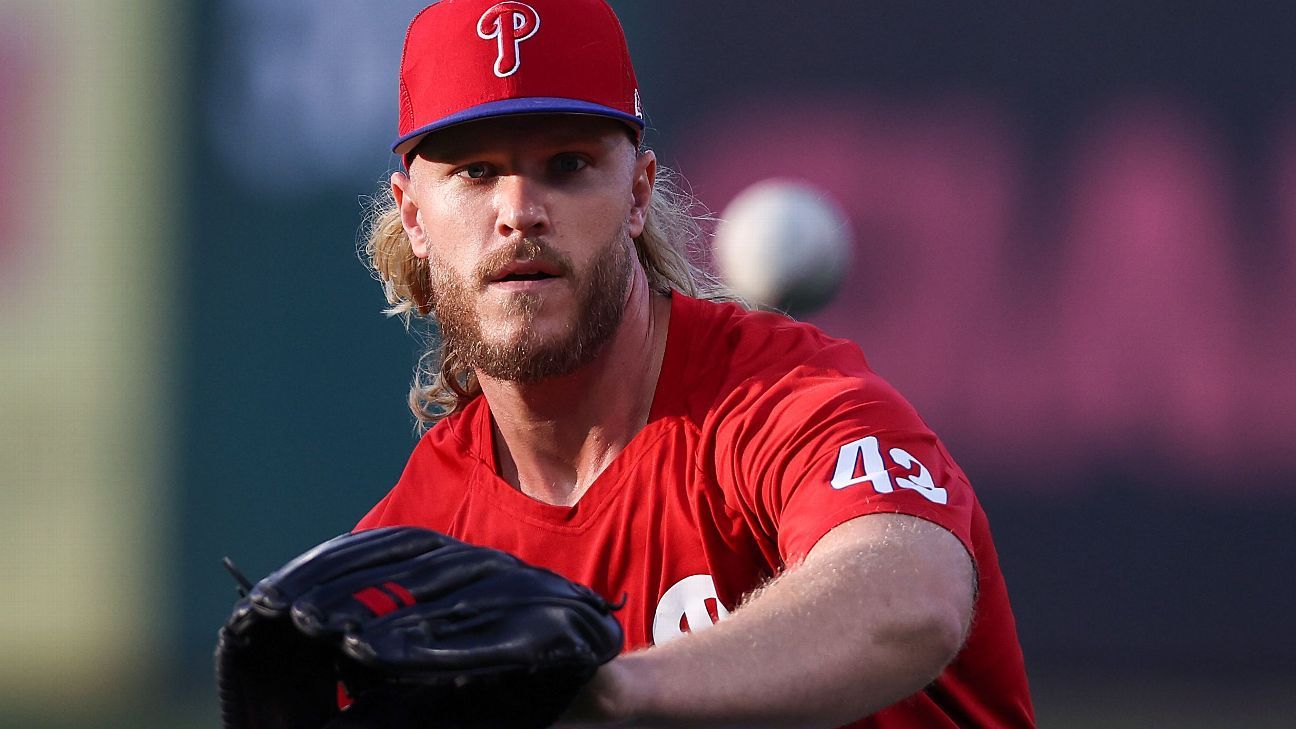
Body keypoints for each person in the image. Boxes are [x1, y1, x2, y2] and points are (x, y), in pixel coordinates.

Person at [356, 0, 1035, 726]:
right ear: (414, 215)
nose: (520, 209)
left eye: (568, 164)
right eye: (477, 170)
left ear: (638, 193)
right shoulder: (414, 552)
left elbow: (913, 598)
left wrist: (612, 689)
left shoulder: (780, 400)